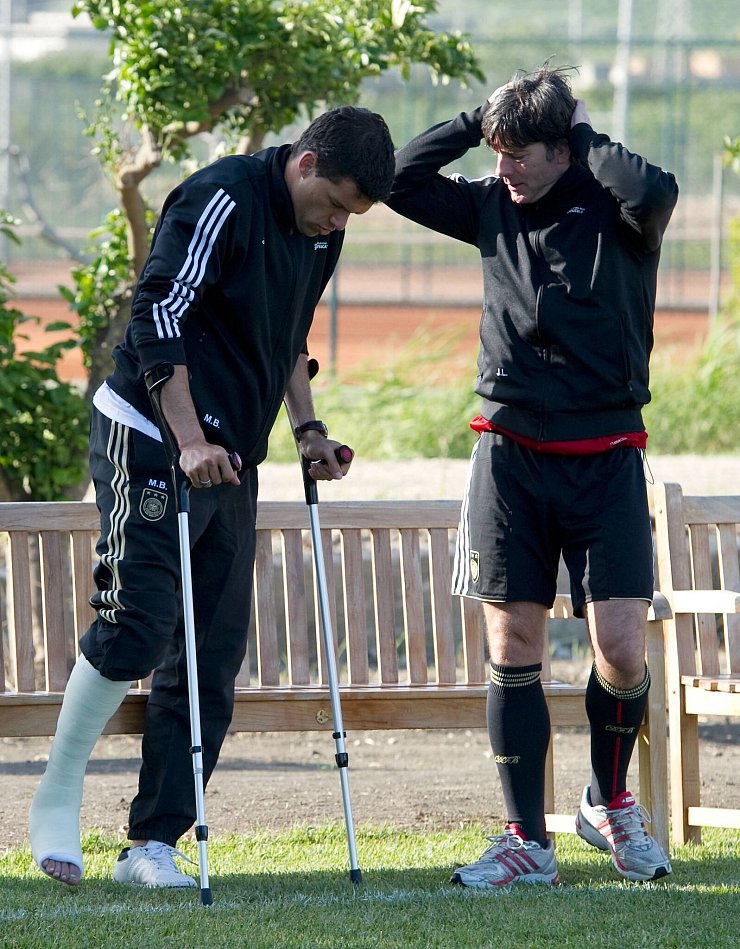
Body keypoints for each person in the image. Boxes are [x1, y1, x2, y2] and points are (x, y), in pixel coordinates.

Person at [29, 105, 395, 888]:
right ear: (304, 163)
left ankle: (149, 843)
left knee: (213, 652)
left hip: (228, 454)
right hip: (151, 431)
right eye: (333, 202)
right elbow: (159, 313)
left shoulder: (322, 232)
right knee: (139, 621)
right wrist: (189, 438)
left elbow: (288, 337)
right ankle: (55, 795)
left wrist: (308, 429)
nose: (335, 223)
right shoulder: (221, 198)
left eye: (348, 215)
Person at [387, 65, 678, 888]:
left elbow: (657, 188)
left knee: (620, 646)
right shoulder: (487, 202)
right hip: (509, 456)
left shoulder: (618, 210)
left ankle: (610, 802)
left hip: (607, 455)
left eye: (522, 152)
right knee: (513, 643)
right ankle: (526, 839)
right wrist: (474, 119)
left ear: (564, 148)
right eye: (497, 149)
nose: (504, 166)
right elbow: (399, 177)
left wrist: (583, 133)